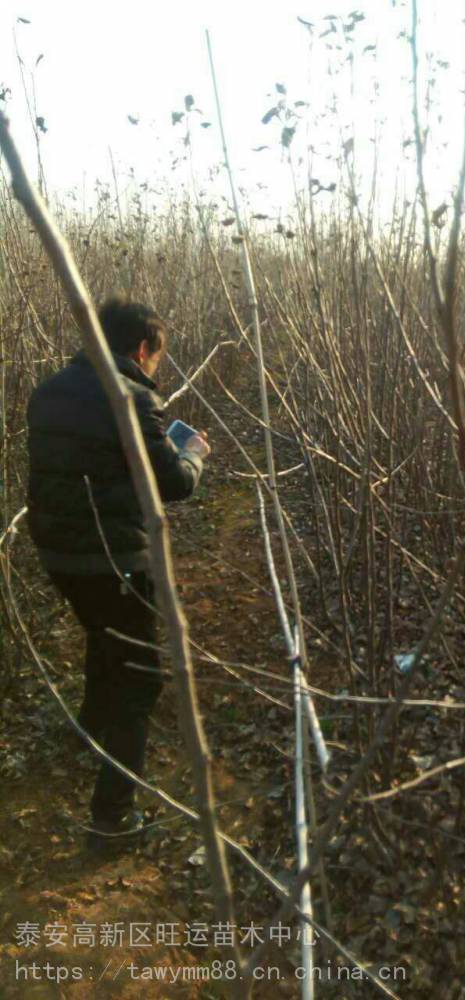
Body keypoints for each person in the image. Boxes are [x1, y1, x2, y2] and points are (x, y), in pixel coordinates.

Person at [26, 296, 210, 845]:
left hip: (59, 554)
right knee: (141, 679)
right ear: (140, 349)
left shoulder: (49, 390)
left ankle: (87, 728)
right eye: (157, 356)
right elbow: (173, 483)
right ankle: (113, 817)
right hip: (115, 559)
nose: (156, 366)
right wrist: (194, 452)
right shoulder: (132, 399)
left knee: (102, 635)